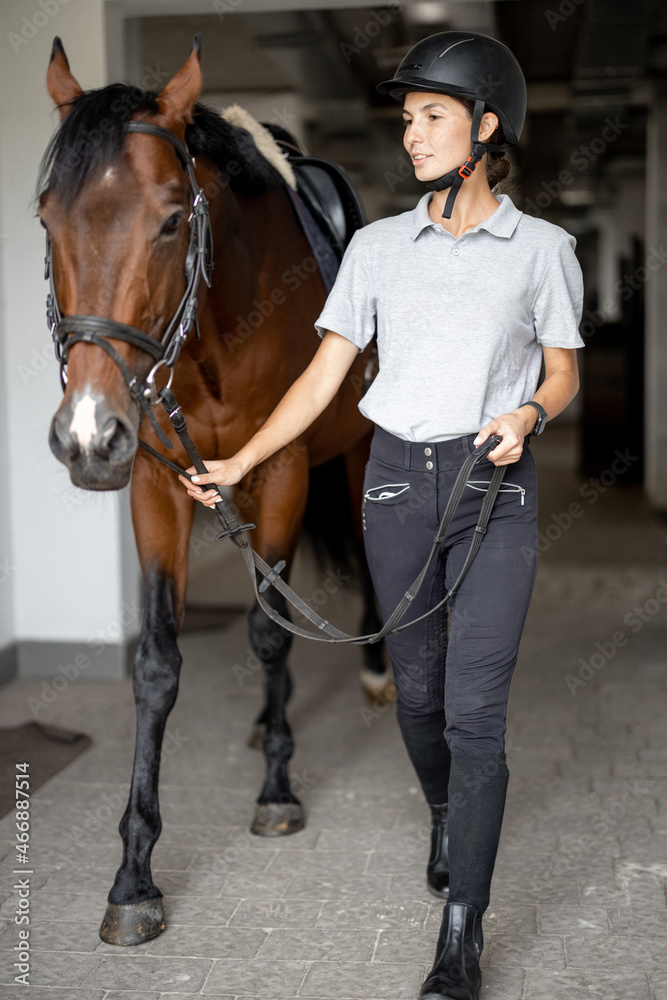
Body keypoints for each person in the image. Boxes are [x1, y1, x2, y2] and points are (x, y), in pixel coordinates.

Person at [179, 29, 584, 1000]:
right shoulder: (374, 250)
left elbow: (562, 370)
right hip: (397, 481)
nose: (413, 135)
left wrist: (529, 410)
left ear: (488, 127)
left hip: (496, 486)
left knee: (478, 712)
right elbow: (322, 379)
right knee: (418, 697)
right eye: (407, 119)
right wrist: (239, 455)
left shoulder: (543, 251)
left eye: (433, 117)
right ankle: (445, 811)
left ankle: (462, 932)